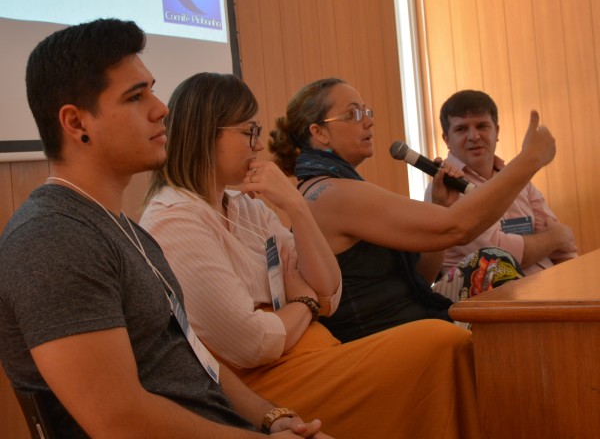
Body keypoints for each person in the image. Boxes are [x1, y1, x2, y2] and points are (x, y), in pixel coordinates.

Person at [0, 19, 333, 438]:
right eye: (136, 96)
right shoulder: (51, 240)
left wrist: (274, 418)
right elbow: (120, 421)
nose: (161, 109)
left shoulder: (126, 231)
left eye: (151, 89)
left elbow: (195, 356)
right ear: (76, 123)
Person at [140, 72, 484, 439]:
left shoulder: (247, 208)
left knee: (449, 343)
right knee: (440, 343)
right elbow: (253, 341)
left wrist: (295, 206)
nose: (257, 146)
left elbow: (331, 293)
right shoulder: (174, 218)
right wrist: (304, 301)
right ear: (206, 134)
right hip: (270, 382)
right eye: (248, 132)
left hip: (316, 354)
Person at [268, 77, 557, 343]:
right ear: (319, 132)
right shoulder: (330, 194)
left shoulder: (333, 186)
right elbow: (456, 227)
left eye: (367, 112)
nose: (368, 122)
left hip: (408, 319)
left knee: (491, 264)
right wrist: (530, 159)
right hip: (385, 340)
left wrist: (440, 204)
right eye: (354, 114)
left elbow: (422, 274)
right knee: (492, 264)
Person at [424, 89, 577, 276]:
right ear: (446, 139)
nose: (473, 136)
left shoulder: (517, 179)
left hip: (549, 286)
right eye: (461, 129)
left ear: (496, 131)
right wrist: (555, 238)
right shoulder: (444, 188)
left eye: (481, 126)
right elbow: (499, 257)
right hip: (494, 299)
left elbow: (565, 248)